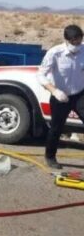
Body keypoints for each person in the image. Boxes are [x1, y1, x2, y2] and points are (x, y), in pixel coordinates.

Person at [37, 24, 84, 169]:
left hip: (80, 94)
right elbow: (40, 74)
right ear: (66, 40)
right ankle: (50, 156)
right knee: (56, 128)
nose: (77, 45)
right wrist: (54, 91)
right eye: (73, 42)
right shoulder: (54, 53)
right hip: (60, 95)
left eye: (79, 41)